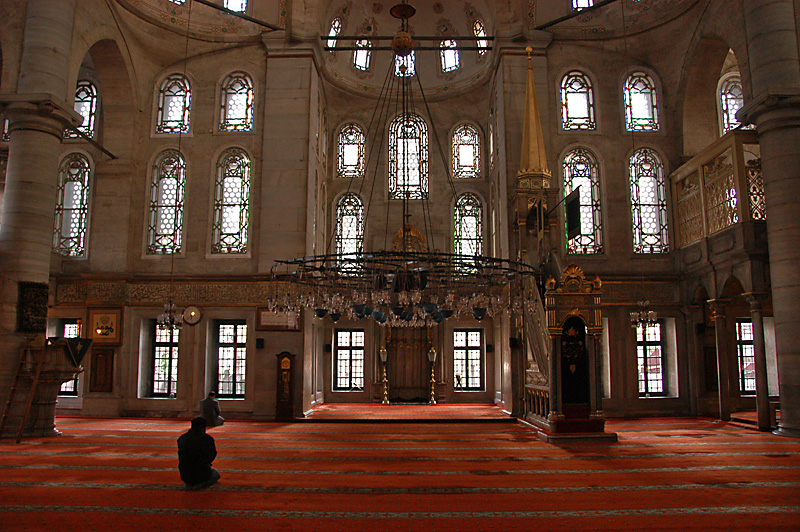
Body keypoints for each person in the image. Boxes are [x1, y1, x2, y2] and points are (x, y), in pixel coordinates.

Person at [177, 417, 221, 490]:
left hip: (185, 474)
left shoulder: (182, 438)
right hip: (202, 472)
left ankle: (190, 484)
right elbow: (212, 455)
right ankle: (199, 484)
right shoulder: (207, 439)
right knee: (216, 474)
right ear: (203, 428)